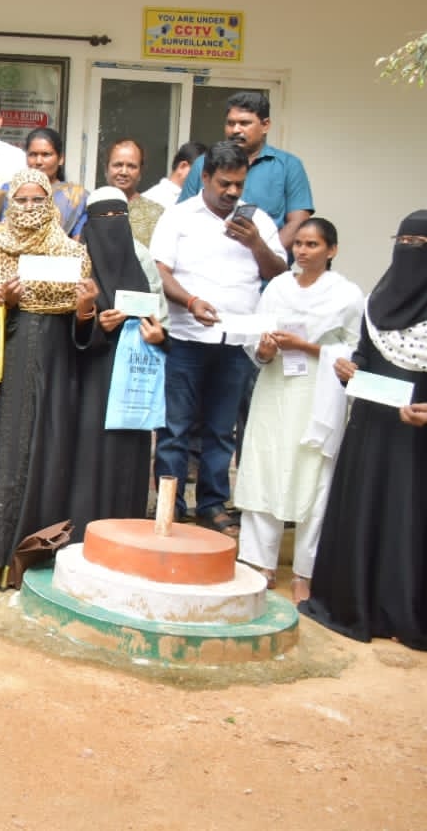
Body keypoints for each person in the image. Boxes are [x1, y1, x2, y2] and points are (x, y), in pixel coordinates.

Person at [301, 213, 427, 649]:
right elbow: (364, 360)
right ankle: (360, 605)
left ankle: (403, 610)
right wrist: (348, 371)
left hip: (418, 438)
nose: (409, 251)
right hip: (372, 431)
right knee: (367, 513)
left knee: (407, 519)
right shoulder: (377, 303)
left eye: (419, 243)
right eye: (403, 241)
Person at [150, 141, 286, 536]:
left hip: (237, 343)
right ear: (206, 177)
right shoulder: (179, 217)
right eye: (224, 183)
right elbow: (159, 271)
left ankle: (211, 505)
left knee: (221, 431)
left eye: (239, 184)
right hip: (185, 339)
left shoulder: (258, 221)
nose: (232, 192)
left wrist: (255, 243)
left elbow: (278, 274)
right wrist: (190, 301)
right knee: (175, 430)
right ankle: (170, 507)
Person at [0, 168, 91, 588]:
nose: (28, 207)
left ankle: (34, 559)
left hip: (57, 362)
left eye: (38, 199)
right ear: (9, 203)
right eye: (20, 200)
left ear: (50, 204)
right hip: (9, 355)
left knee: (47, 450)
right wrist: (1, 301)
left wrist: (83, 309)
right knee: (7, 450)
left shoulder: (72, 253)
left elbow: (80, 318)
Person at [236, 218, 363, 603]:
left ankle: (305, 571)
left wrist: (306, 347)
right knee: (265, 464)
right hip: (275, 385)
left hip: (318, 390)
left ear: (332, 250)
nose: (303, 251)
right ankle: (261, 562)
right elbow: (255, 339)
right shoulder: (277, 286)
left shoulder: (347, 295)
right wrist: (264, 350)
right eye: (299, 244)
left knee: (313, 472)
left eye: (312, 245)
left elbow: (356, 352)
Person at [66, 188, 169, 537]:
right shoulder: (77, 259)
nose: (111, 224)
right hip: (90, 380)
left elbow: (161, 319)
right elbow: (64, 328)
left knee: (127, 462)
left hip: (133, 380)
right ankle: (82, 536)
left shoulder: (141, 260)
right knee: (87, 458)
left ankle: (126, 536)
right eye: (102, 217)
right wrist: (95, 323)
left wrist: (158, 336)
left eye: (118, 216)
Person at [178, 92, 313, 250]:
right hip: (206, 260)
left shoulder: (288, 166)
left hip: (267, 262)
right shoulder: (203, 163)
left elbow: (298, 222)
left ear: (265, 125)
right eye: (230, 123)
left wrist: (263, 255)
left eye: (244, 123)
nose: (236, 130)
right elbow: (182, 215)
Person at [22, 127, 88, 239]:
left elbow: (79, 239)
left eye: (46, 155)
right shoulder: (11, 190)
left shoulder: (76, 195)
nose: (38, 161)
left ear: (61, 159)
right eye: (33, 154)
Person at [104, 139, 165, 247]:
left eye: (131, 166)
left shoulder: (156, 215)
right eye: (118, 165)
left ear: (141, 171)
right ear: (106, 168)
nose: (124, 172)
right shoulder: (89, 210)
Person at [143, 140, 206, 206]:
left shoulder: (198, 199)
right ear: (183, 166)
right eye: (200, 171)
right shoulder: (151, 199)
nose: (205, 178)